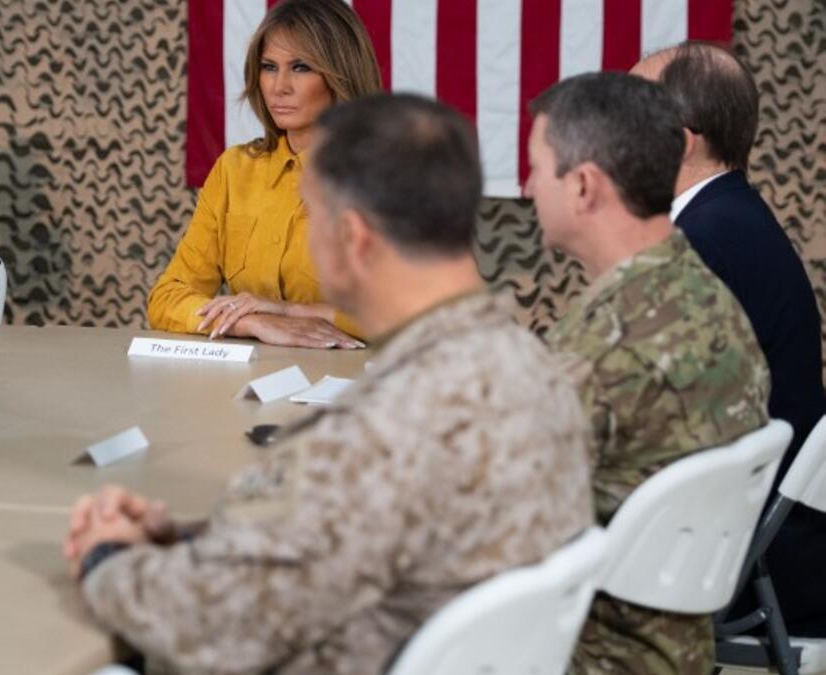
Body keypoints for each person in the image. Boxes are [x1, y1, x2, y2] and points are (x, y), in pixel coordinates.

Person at [64, 94, 594, 674]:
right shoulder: (538, 366)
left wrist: (108, 555)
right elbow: (340, 538)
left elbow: (214, 622)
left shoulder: (383, 428)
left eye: (311, 215)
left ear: (354, 238)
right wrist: (191, 538)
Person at [524, 72, 771, 674]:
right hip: (679, 645)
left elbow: (492, 530)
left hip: (588, 652)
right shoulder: (705, 293)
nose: (529, 187)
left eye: (536, 168)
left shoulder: (602, 347)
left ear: (583, 187)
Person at [632, 42, 826, 637]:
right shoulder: (727, 217)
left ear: (682, 141)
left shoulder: (705, 241)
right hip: (765, 543)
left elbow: (650, 424)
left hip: (743, 562)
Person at [147, 0, 380, 349]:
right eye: (269, 67)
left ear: (340, 74)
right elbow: (166, 299)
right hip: (247, 386)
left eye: (300, 67)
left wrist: (288, 312)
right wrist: (252, 321)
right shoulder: (234, 170)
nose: (278, 86)